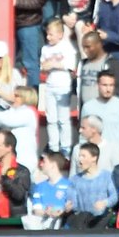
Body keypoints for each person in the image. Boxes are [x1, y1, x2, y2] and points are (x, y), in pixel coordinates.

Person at [39, 19, 77, 156]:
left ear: (60, 34)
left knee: (63, 119)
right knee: (51, 119)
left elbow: (71, 65)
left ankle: (65, 147)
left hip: (63, 86)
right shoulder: (45, 49)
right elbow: (42, 67)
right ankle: (53, 146)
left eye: (51, 34)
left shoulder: (66, 47)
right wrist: (46, 66)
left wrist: (54, 65)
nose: (48, 37)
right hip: (50, 85)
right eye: (47, 34)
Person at [66, 142, 117, 227]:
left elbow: (114, 196)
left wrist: (104, 203)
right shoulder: (74, 180)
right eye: (79, 156)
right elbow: (73, 202)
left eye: (83, 156)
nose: (79, 159)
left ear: (94, 158)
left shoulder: (107, 176)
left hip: (101, 220)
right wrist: (69, 205)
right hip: (82, 222)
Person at [28, 152, 74, 229]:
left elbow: (71, 206)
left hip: (64, 230)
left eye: (44, 162)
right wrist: (47, 212)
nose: (41, 164)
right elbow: (36, 209)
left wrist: (61, 212)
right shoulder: (39, 186)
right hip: (42, 230)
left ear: (53, 165)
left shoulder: (69, 185)